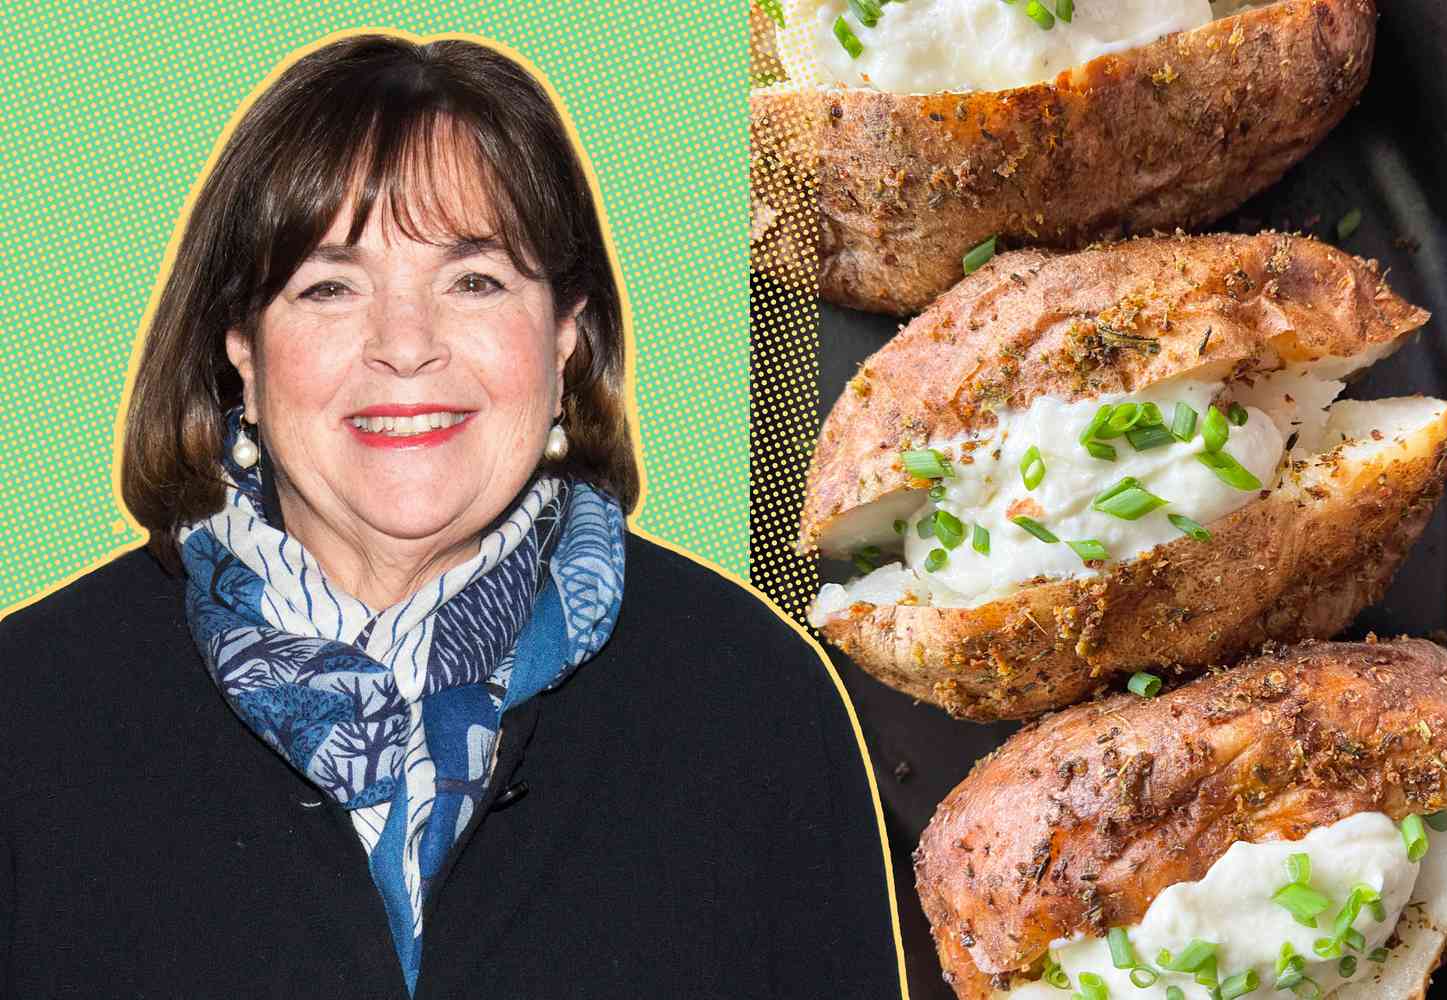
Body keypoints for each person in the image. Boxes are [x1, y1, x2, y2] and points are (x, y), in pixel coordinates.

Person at [0, 34, 901, 999]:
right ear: (243, 354)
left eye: (474, 281)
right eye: (330, 286)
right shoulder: (29, 717)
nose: (405, 345)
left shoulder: (754, 704)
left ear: (566, 336)